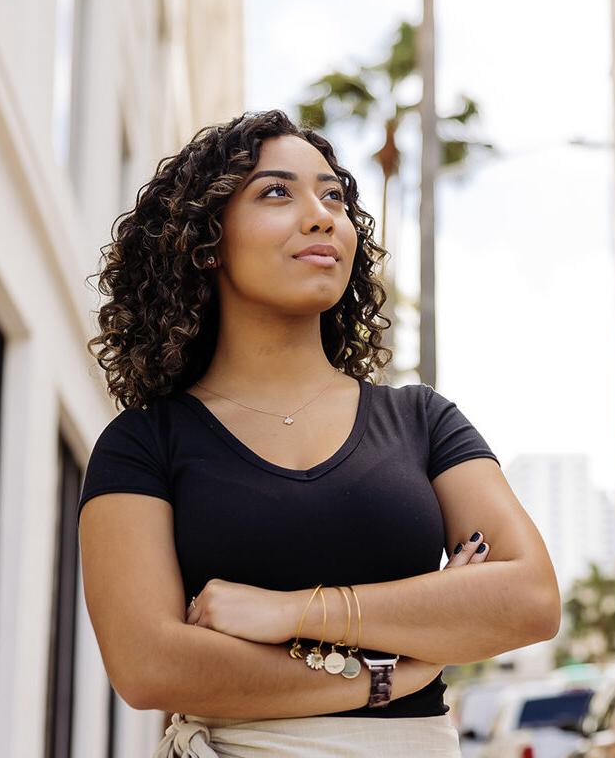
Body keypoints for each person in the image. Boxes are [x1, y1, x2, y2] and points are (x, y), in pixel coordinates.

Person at [77, 109, 561, 757]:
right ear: (206, 240)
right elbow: (150, 666)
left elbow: (529, 598)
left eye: (333, 195)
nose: (321, 214)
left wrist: (293, 612)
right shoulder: (143, 444)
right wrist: (381, 678)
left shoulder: (422, 421)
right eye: (277, 192)